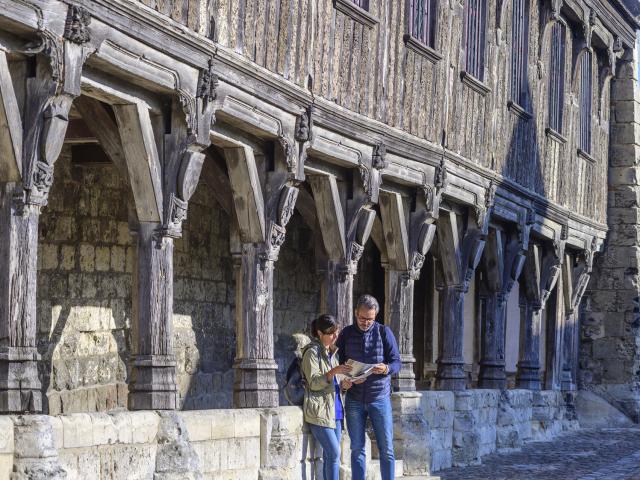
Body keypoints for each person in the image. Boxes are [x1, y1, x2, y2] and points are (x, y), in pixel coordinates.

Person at [336, 294, 401, 480]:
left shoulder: (383, 332)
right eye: (362, 318)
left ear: (375, 316)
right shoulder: (346, 334)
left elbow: (397, 362)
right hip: (354, 399)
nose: (365, 322)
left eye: (370, 319)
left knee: (386, 448)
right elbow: (336, 364)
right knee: (356, 448)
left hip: (379, 397)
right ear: (356, 313)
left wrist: (387, 368)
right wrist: (344, 380)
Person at [301, 314, 352, 480]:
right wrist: (333, 372)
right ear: (320, 333)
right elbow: (314, 382)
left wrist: (345, 385)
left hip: (336, 411)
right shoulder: (311, 353)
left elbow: (334, 384)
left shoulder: (333, 353)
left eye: (336, 332)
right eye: (331, 333)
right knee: (334, 453)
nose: (335, 336)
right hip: (319, 412)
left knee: (332, 457)